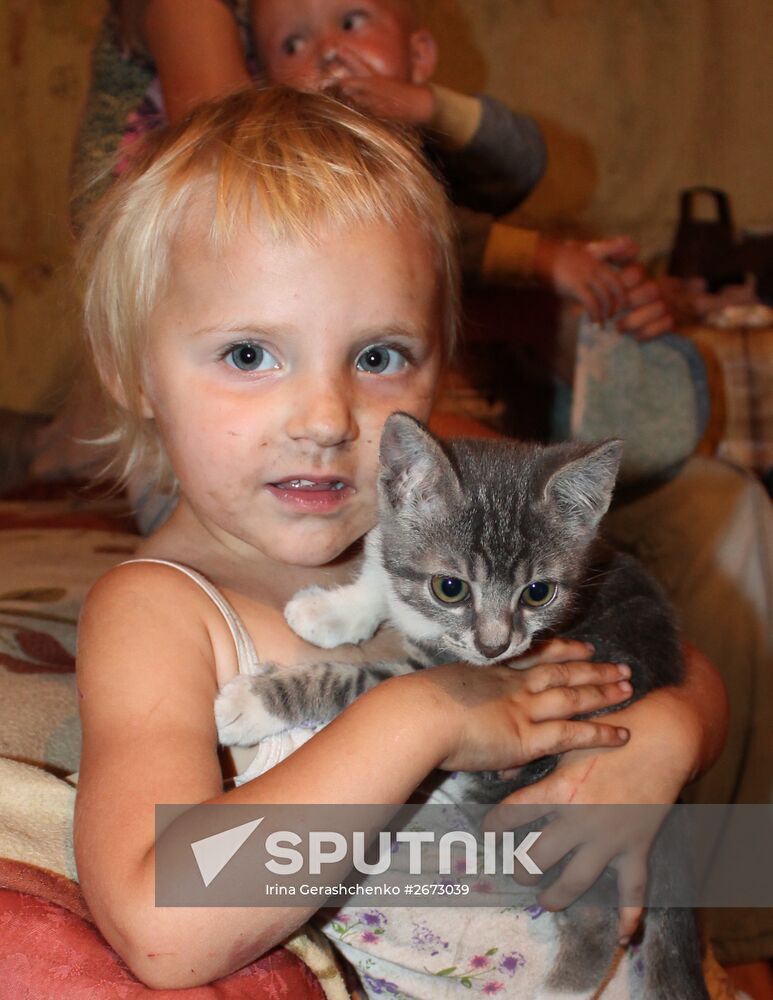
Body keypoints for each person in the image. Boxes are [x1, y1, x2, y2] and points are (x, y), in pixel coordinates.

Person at [73, 87, 727, 994]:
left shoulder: (454, 540)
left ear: (438, 365)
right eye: (250, 355)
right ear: (132, 372)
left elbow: (689, 667)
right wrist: (426, 714)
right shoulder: (157, 610)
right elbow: (158, 925)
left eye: (378, 357)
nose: (325, 418)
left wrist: (666, 733)